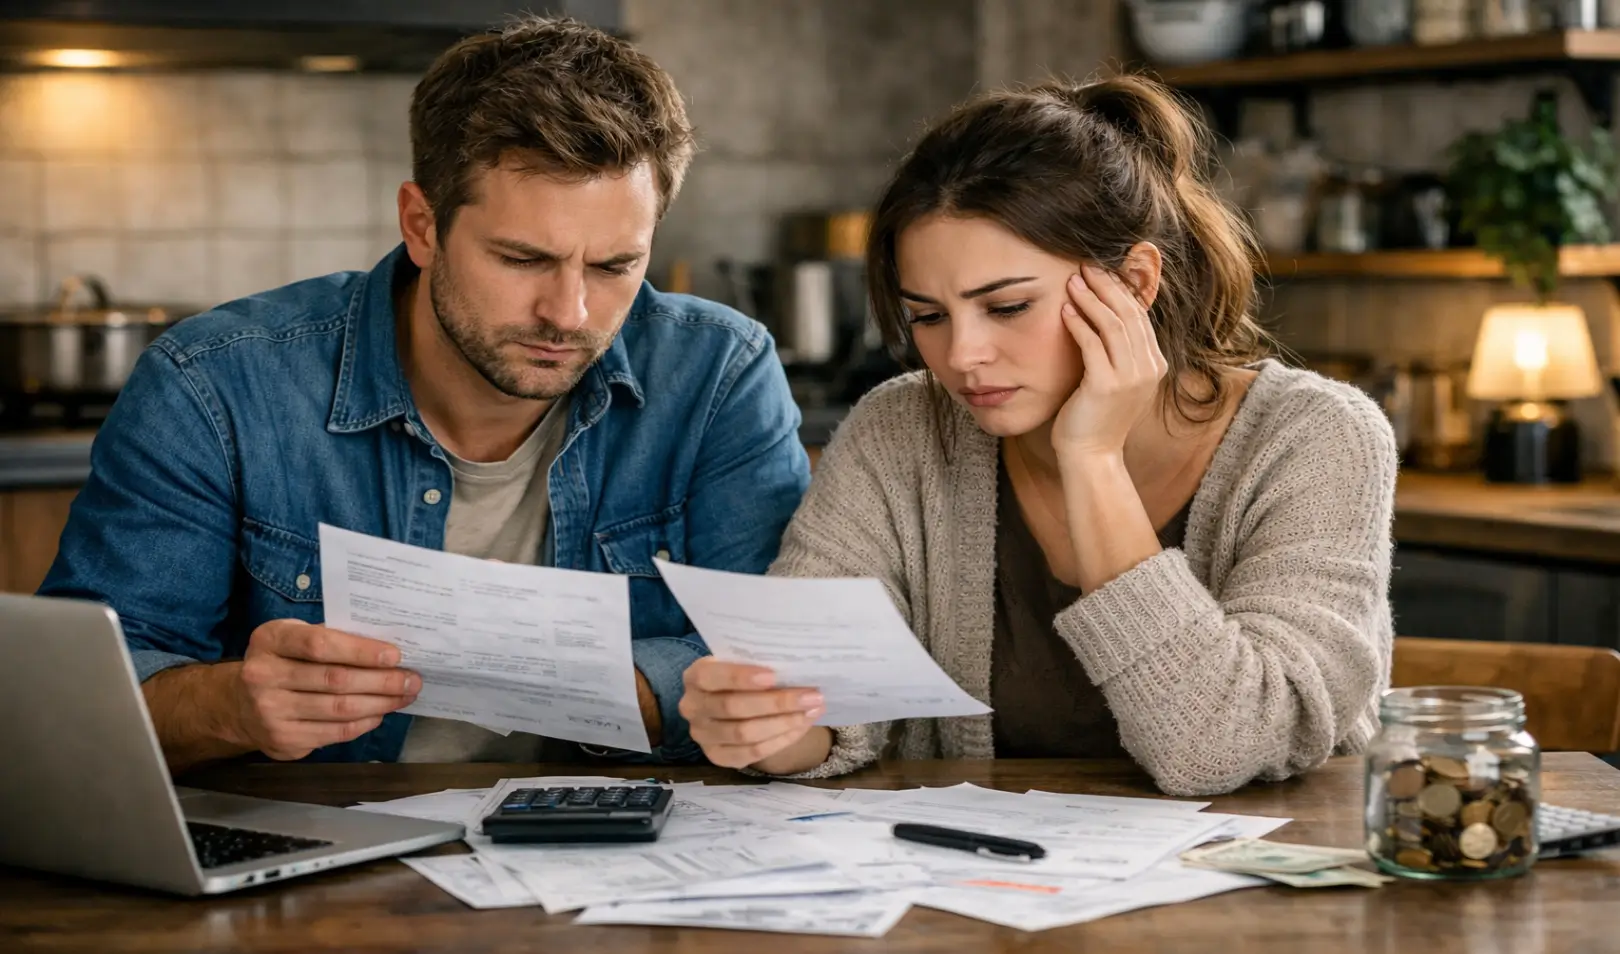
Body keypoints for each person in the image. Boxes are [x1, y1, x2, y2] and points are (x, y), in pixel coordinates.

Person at [38, 16, 809, 771]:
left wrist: (564, 682)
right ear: (421, 225)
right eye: (522, 259)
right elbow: (74, 704)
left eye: (614, 267)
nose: (569, 313)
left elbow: (785, 667)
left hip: (618, 838)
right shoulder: (213, 386)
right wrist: (232, 706)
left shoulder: (718, 373)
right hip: (317, 838)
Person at [679, 75, 1398, 796]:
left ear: (1134, 284)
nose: (962, 356)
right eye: (928, 316)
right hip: (983, 864)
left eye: (1008, 307)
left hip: (1264, 867)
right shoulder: (899, 431)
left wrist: (1092, 458)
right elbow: (819, 699)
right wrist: (772, 732)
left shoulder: (1316, 438)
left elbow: (1222, 746)